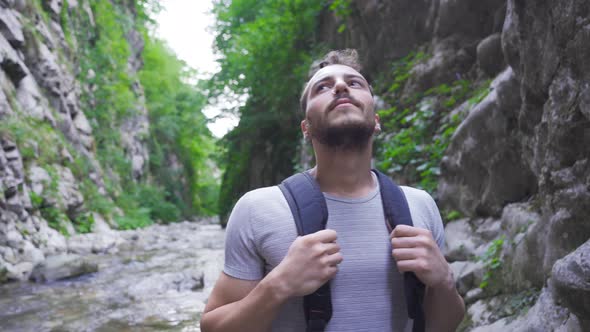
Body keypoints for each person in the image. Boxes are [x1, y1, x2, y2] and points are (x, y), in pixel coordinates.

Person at [201, 49, 465, 332]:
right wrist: (279, 285)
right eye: (322, 87)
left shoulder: (419, 205)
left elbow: (443, 325)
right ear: (306, 127)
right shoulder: (257, 208)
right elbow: (213, 326)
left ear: (376, 120)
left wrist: (444, 282)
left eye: (354, 83)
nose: (340, 87)